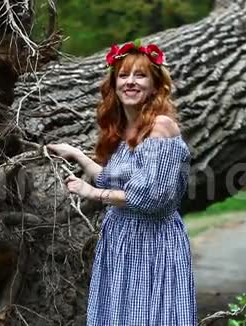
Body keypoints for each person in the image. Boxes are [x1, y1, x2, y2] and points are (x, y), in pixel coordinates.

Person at [47, 40, 197, 325]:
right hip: (120, 237)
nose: (130, 82)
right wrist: (77, 155)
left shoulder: (161, 127)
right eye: (123, 75)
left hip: (153, 241)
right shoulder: (124, 128)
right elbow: (111, 178)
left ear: (155, 86)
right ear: (113, 84)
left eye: (140, 75)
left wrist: (92, 192)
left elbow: (152, 197)